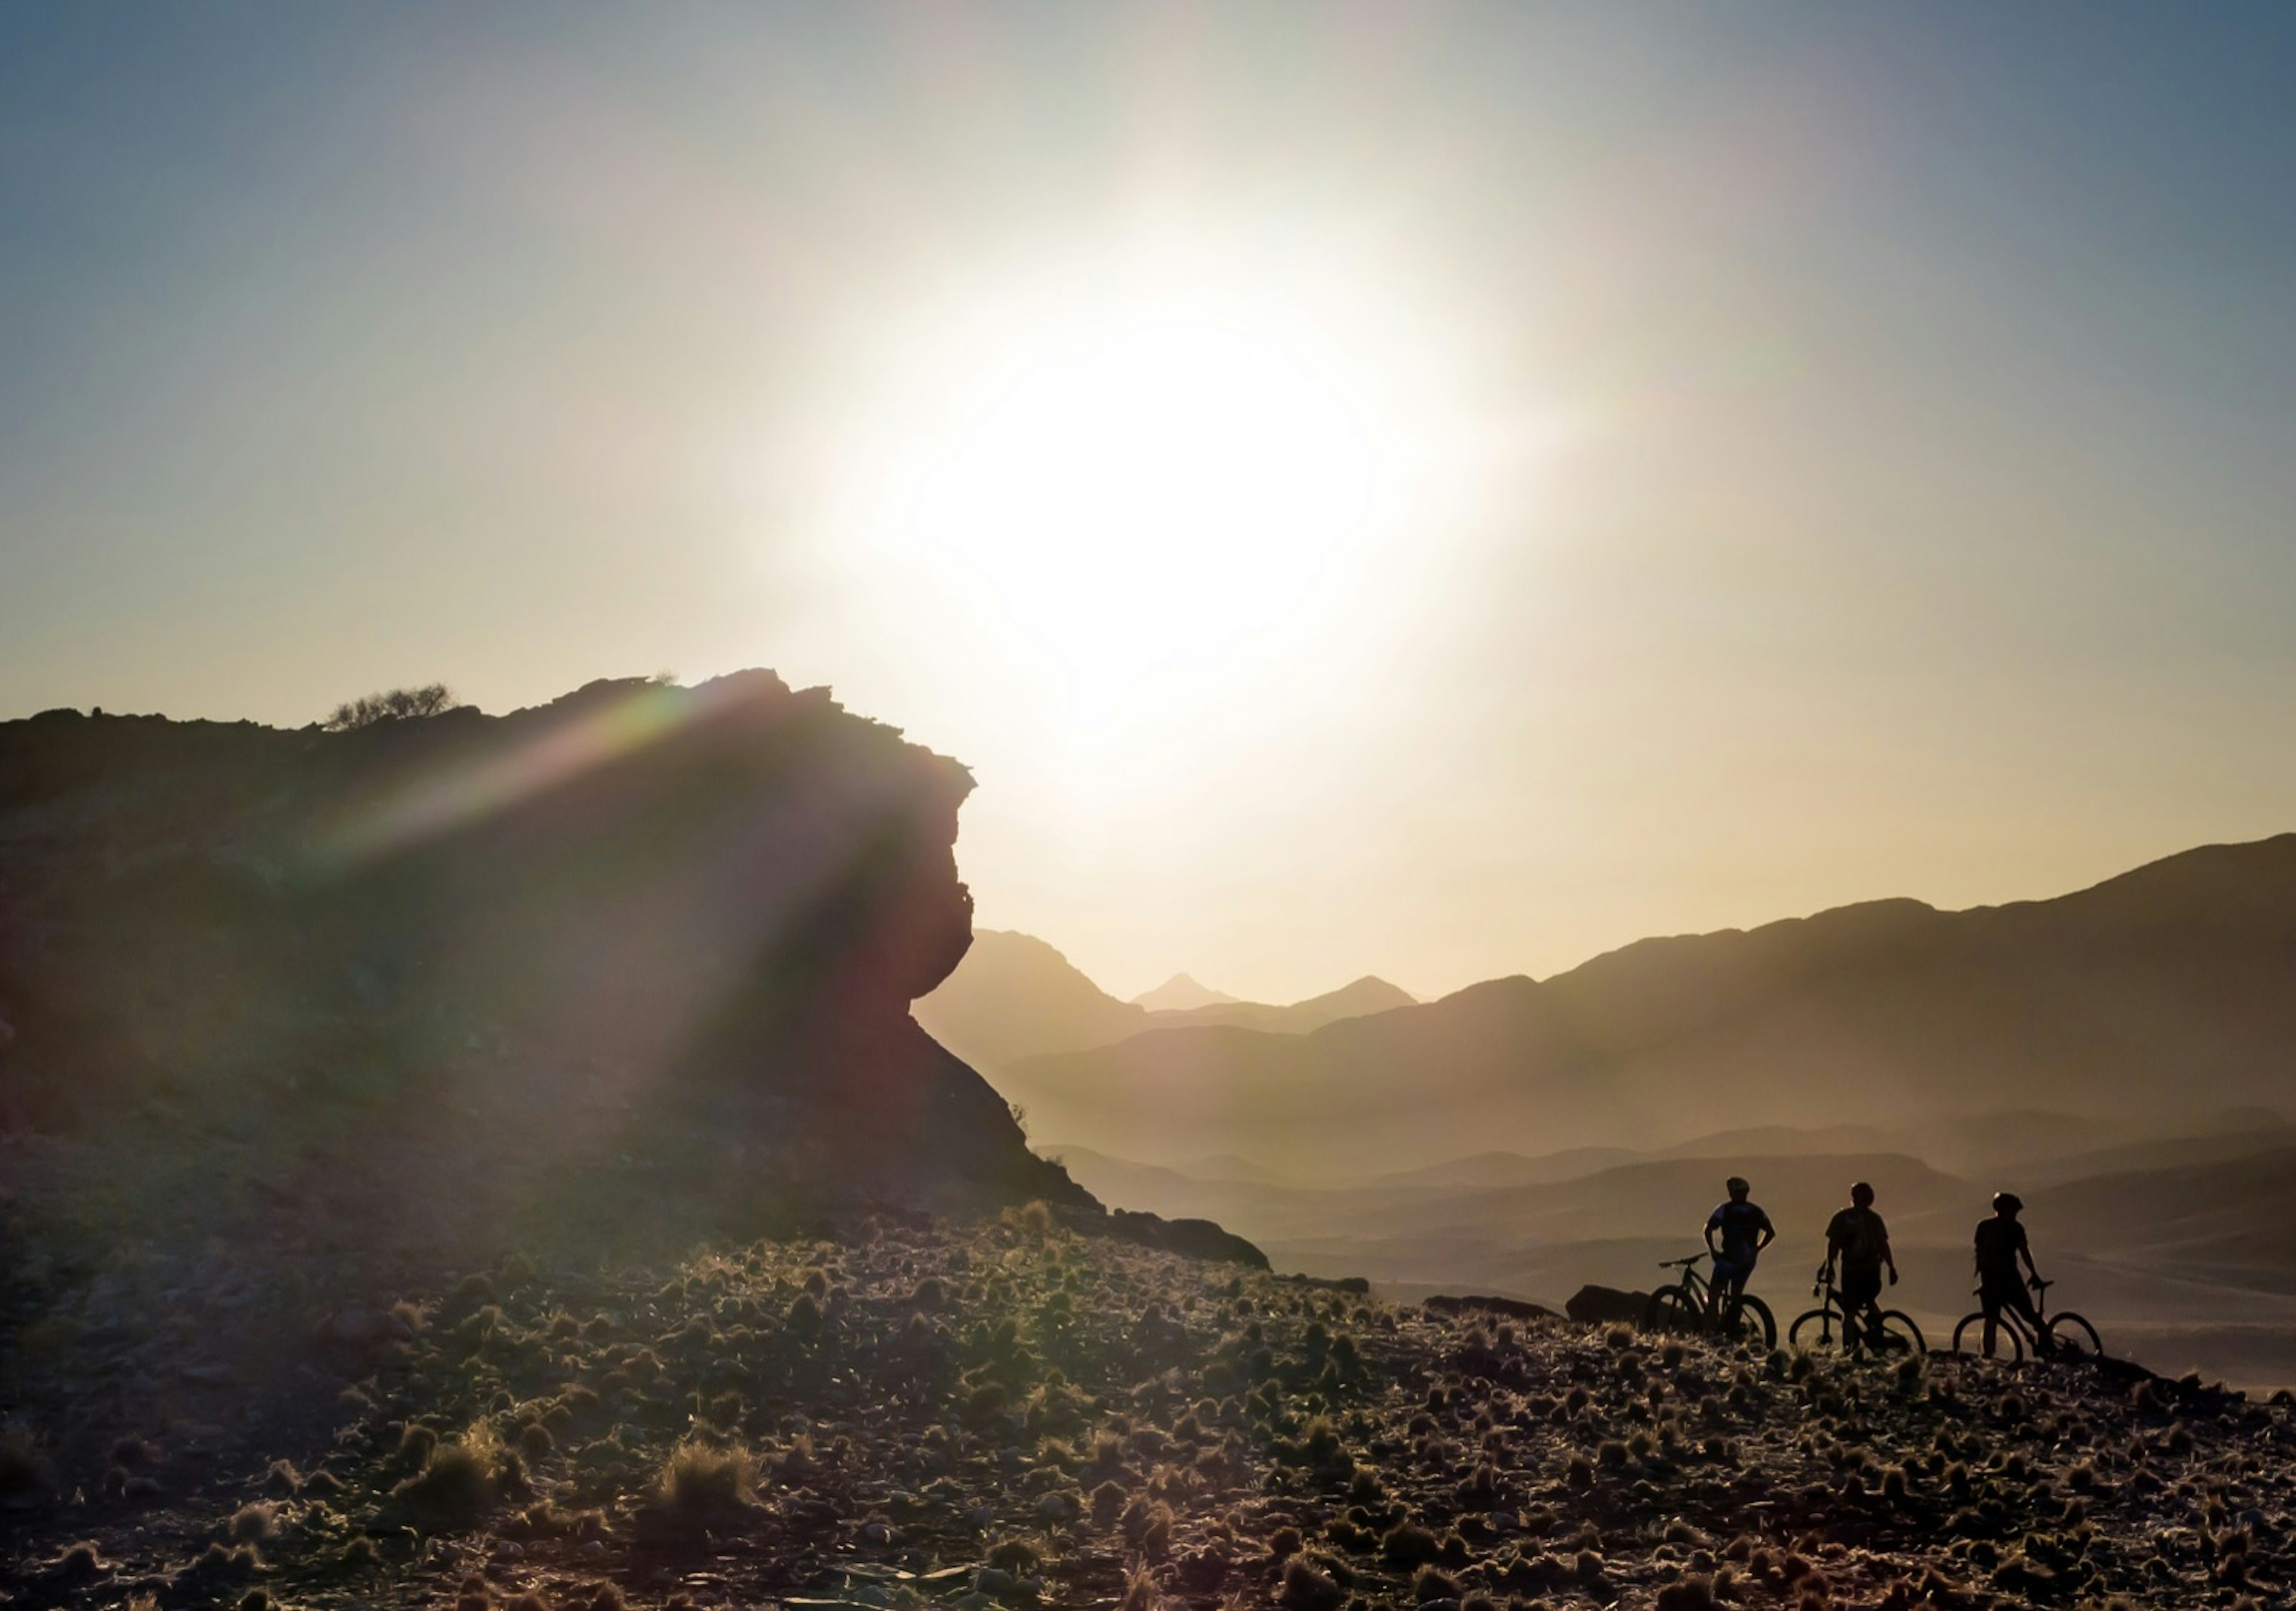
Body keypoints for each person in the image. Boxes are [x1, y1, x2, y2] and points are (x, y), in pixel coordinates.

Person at [1822, 1181, 1898, 1350]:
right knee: (1870, 1302)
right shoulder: (1874, 1219)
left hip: (1851, 1271)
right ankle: (1878, 1337)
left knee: (1849, 1312)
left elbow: (1833, 1246)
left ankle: (1849, 1349)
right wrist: (1892, 1268)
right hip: (1872, 1271)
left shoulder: (1840, 1218)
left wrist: (1830, 1267)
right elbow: (1883, 1246)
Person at [1975, 1191, 2043, 1358]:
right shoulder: (2015, 1228)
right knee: (2028, 1315)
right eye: (2014, 1211)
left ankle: (1988, 1355)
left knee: (1991, 1319)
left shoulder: (1984, 1226)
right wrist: (2033, 1274)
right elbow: (2024, 1252)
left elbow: (1979, 1253)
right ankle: (2046, 1344)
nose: (2015, 1214)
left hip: (1992, 1279)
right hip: (2009, 1279)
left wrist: (1981, 1278)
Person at [1703, 1176, 1776, 1325]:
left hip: (1728, 1259)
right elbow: (1771, 1232)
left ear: (1731, 1193)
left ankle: (1712, 1329)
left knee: (1714, 1295)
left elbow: (1709, 1229)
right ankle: (1733, 1325)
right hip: (1748, 1261)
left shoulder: (1725, 1210)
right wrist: (1757, 1249)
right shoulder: (1756, 1211)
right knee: (1736, 1295)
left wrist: (1712, 1250)